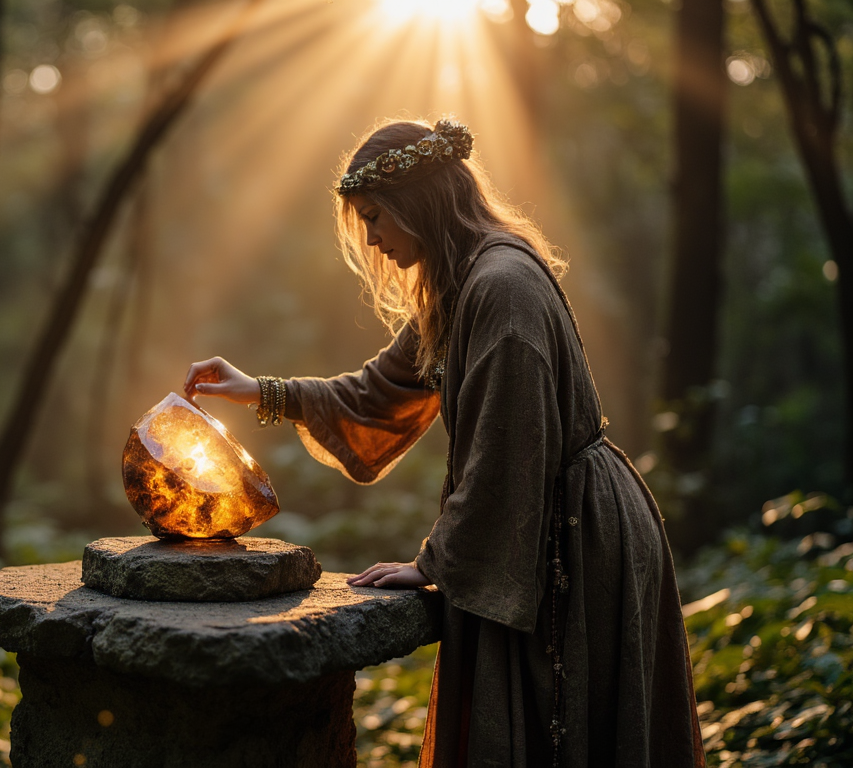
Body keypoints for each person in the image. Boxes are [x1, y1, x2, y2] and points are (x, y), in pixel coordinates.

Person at [183, 118, 704, 767]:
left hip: (575, 534)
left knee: (571, 732)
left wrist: (435, 562)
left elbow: (506, 458)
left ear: (418, 202)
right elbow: (375, 395)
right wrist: (260, 391)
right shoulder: (460, 287)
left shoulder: (501, 287)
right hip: (541, 528)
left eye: (376, 217)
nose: (372, 240)